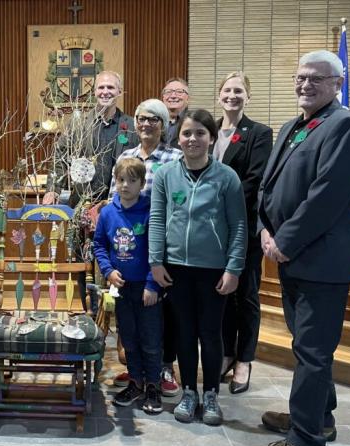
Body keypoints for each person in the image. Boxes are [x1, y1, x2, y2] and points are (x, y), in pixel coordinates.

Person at [256, 50, 350, 446]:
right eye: (301, 77)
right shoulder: (292, 126)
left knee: (313, 352)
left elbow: (327, 196)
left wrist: (283, 242)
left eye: (316, 79)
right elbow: (268, 188)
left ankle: (304, 440)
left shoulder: (345, 126)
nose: (306, 84)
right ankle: (317, 416)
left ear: (337, 84)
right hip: (292, 258)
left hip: (322, 261)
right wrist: (264, 230)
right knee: (308, 347)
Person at [149, 109, 247, 426]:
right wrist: (155, 260)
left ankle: (211, 396)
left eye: (200, 133)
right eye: (187, 133)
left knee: (211, 333)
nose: (193, 139)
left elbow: (239, 227)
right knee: (185, 334)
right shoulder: (165, 175)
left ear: (211, 138)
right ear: (178, 139)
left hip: (214, 271)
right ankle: (189, 392)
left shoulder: (227, 177)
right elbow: (157, 220)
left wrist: (233, 268)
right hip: (176, 268)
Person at [107, 99, 182, 399]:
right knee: (130, 316)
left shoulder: (174, 157)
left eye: (154, 119)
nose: (146, 124)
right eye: (141, 118)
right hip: (129, 249)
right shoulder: (126, 155)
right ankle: (137, 371)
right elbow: (115, 198)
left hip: (162, 244)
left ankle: (162, 368)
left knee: (161, 314)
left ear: (163, 124)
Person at [214, 72, 273, 395]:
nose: (232, 95)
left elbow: (255, 180)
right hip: (212, 230)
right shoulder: (209, 131)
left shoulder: (259, 133)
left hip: (244, 227)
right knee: (222, 293)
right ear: (219, 95)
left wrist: (217, 199)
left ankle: (244, 360)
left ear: (247, 97)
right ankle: (225, 352)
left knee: (246, 295)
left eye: (239, 91)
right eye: (227, 90)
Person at [94, 158, 163, 414]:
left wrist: (152, 284)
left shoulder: (150, 210)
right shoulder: (108, 212)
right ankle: (135, 381)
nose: (125, 186)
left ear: (141, 183)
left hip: (147, 289)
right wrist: (108, 271)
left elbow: (158, 249)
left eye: (132, 181)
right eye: (121, 180)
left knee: (151, 338)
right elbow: (99, 244)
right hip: (121, 288)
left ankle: (153, 385)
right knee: (129, 338)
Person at [43, 70, 139, 206]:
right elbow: (59, 157)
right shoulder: (78, 124)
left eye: (110, 87)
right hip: (83, 204)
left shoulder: (132, 126)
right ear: (94, 92)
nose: (105, 92)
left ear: (119, 92)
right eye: (101, 87)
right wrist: (53, 189)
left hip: (120, 204)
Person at [161, 77, 190, 148]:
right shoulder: (155, 120)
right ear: (163, 98)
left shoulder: (194, 121)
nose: (173, 96)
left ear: (188, 99)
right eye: (168, 92)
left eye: (179, 91)